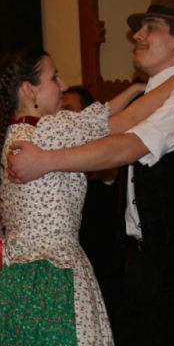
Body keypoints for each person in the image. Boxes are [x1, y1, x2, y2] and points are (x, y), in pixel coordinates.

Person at [0, 47, 174, 346]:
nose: (62, 84)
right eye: (54, 77)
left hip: (10, 277)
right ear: (29, 90)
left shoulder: (17, 132)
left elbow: (96, 117)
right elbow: (125, 121)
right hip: (52, 273)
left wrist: (136, 89)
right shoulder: (49, 131)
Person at [7, 0, 174, 346]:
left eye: (150, 27)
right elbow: (105, 134)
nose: (137, 35)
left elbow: (128, 146)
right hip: (144, 263)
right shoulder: (152, 95)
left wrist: (43, 162)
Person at [64, 85, 127, 317]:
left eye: (68, 110)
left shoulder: (104, 150)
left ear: (88, 115)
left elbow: (106, 172)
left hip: (102, 265)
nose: (62, 117)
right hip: (67, 264)